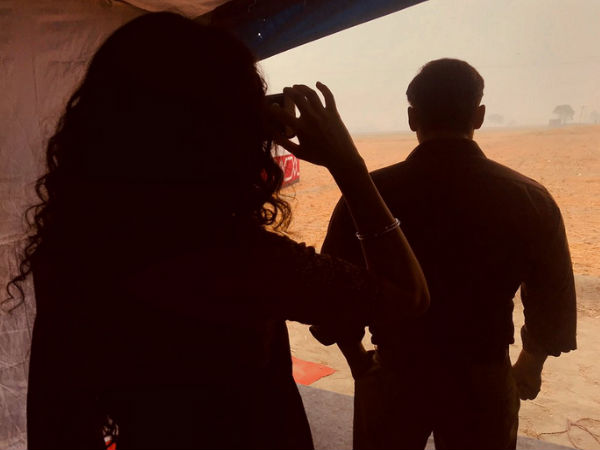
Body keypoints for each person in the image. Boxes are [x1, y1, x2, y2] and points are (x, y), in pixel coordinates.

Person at [5, 12, 429, 450]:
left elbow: (55, 418)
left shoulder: (77, 252)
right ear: (227, 137)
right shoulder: (243, 264)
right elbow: (407, 295)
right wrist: (348, 165)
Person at [312, 58, 577, 449]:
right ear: (479, 115)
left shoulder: (370, 193)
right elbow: (553, 294)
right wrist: (531, 362)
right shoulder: (528, 197)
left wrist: (358, 360)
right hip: (483, 377)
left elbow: (333, 287)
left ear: (412, 118)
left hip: (396, 372)